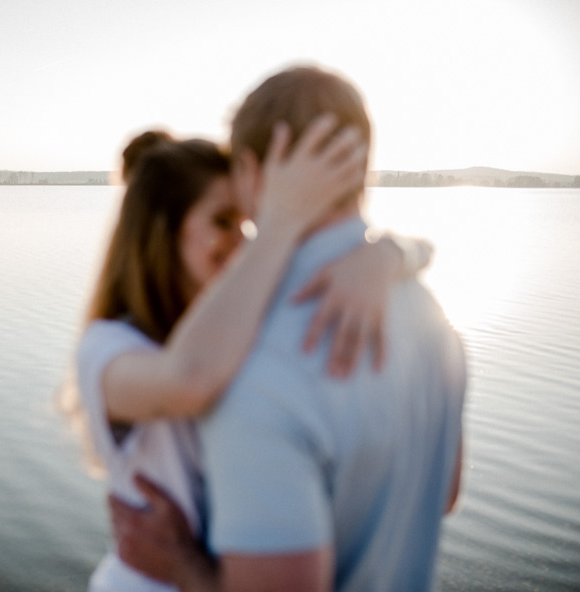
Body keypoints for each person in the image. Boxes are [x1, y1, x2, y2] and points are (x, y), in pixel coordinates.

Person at [111, 66, 465, 592]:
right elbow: (444, 493)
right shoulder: (436, 321)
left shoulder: (257, 360)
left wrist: (183, 567)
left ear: (254, 170)